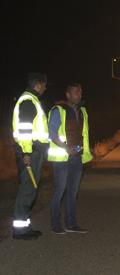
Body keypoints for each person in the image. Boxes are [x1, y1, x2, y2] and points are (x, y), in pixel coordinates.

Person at [47, 82, 93, 234]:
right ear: (67, 95)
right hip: (62, 159)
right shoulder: (57, 111)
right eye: (75, 93)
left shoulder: (82, 111)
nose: (78, 95)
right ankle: (55, 225)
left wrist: (83, 150)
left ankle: (71, 224)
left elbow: (83, 134)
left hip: (77, 157)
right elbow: (52, 134)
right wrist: (67, 148)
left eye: (80, 92)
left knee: (73, 192)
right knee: (60, 190)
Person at [12, 73, 50, 240]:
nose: (45, 88)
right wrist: (26, 152)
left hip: (33, 151)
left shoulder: (30, 100)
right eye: (44, 85)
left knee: (29, 189)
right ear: (38, 85)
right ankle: (20, 230)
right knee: (27, 190)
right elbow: (25, 129)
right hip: (31, 152)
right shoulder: (28, 101)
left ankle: (24, 227)